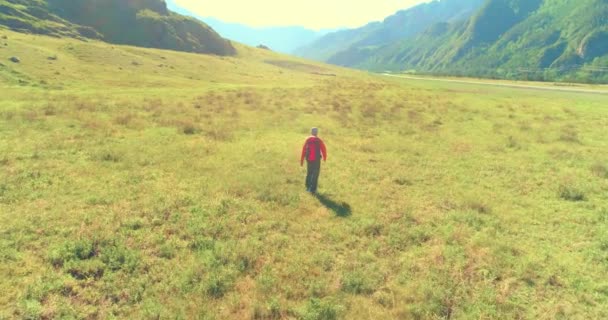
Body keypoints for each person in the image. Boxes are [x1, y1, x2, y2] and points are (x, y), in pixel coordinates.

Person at [301, 127, 327, 194]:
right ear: (317, 133)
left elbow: (304, 150)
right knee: (315, 174)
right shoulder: (319, 140)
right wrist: (324, 157)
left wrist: (302, 160)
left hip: (309, 159)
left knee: (309, 172)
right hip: (316, 160)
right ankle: (312, 190)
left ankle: (307, 186)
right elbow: (324, 149)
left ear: (311, 132)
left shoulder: (308, 139)